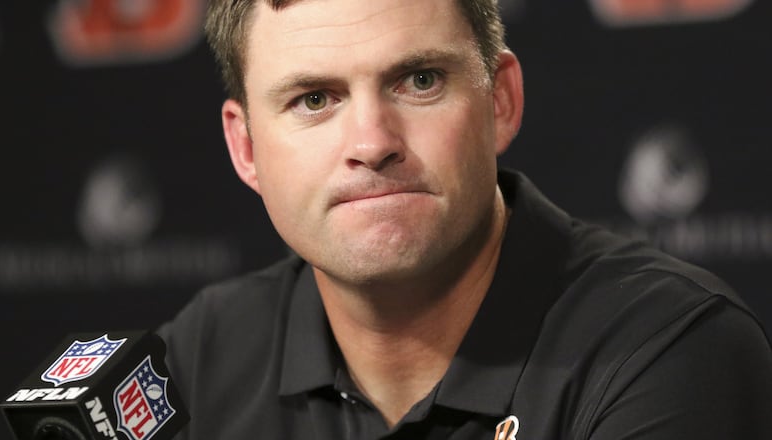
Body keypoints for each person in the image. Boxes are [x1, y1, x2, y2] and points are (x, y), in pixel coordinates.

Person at [157, 0, 772, 438]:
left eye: (419, 80)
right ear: (246, 149)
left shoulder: (666, 350)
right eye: (314, 100)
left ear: (500, 101)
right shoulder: (202, 355)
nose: (372, 143)